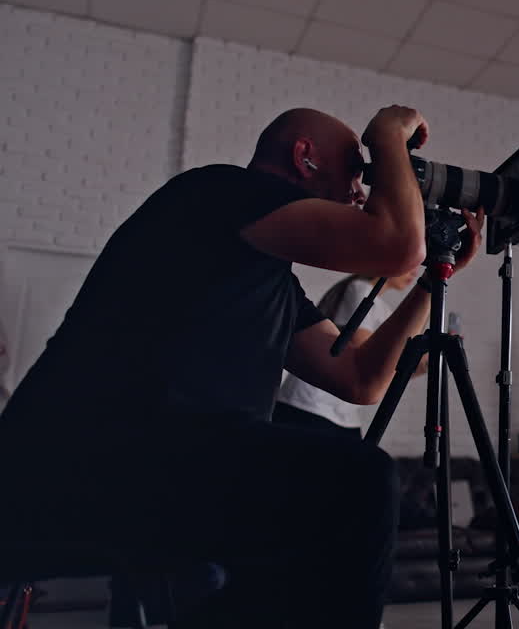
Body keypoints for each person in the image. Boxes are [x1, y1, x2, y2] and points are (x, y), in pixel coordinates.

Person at [0, 106, 482, 628]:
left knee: (280, 550)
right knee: (358, 481)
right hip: (93, 459)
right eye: (353, 169)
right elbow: (392, 242)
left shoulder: (273, 280)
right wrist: (388, 136)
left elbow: (361, 377)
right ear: (304, 157)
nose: (360, 192)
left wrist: (433, 282)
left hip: (168, 471)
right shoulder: (221, 193)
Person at [274, 268, 422, 437]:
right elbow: (363, 352)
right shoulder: (359, 289)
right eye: (412, 266)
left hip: (343, 413)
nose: (415, 272)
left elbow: (387, 373)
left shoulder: (383, 309)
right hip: (309, 405)